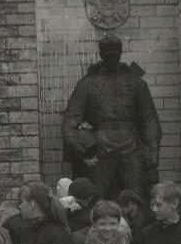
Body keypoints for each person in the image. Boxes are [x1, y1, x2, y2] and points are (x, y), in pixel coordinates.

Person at [62, 35, 162, 199]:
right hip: (100, 150)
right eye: (107, 55)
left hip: (131, 149)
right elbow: (71, 119)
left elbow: (148, 120)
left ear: (120, 53)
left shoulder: (136, 84)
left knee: (135, 198)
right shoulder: (87, 84)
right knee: (96, 199)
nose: (111, 58)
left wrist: (152, 152)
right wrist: (83, 149)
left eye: (115, 54)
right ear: (101, 54)